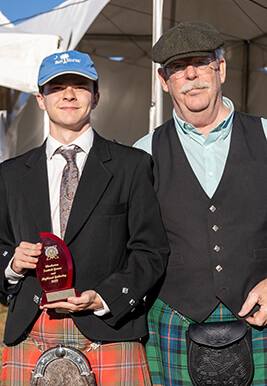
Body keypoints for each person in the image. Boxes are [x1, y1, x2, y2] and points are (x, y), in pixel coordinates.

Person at [0, 50, 169, 385]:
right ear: (40, 99)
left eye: (80, 85)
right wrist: (12, 264)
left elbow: (151, 251)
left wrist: (105, 297)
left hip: (109, 326)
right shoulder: (10, 174)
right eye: (56, 87)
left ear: (96, 96)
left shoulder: (131, 166)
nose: (68, 94)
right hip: (32, 327)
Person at [134, 21, 267, 385]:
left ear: (220, 69)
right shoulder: (142, 154)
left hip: (260, 318)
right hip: (174, 319)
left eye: (201, 63)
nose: (191, 75)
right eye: (178, 68)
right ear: (164, 81)